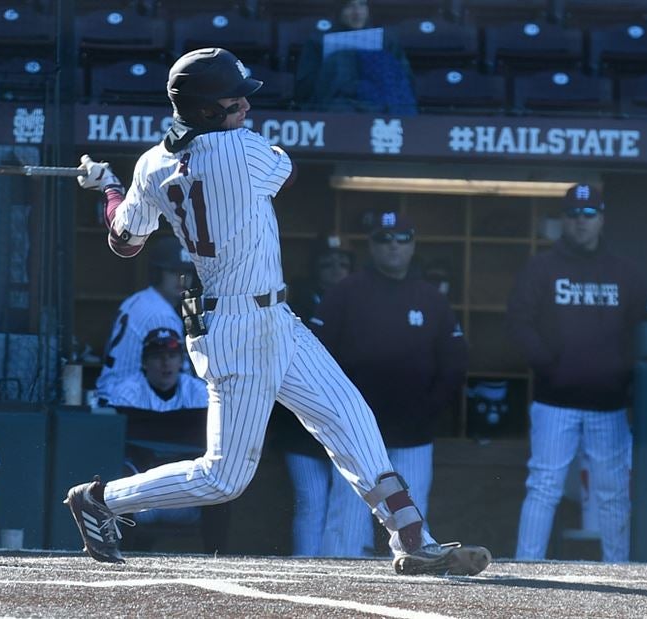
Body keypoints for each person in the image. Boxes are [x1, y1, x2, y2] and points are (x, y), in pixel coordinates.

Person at [65, 47, 490, 575]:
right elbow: (286, 174)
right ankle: (99, 501)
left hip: (273, 319)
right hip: (235, 329)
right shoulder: (241, 151)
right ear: (202, 109)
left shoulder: (151, 165)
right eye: (232, 99)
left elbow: (124, 239)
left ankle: (413, 539)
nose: (245, 104)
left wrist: (107, 185)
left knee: (351, 420)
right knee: (224, 478)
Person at [314, 210, 468, 558]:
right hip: (356, 429)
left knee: (413, 514)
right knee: (347, 516)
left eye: (402, 239)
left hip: (414, 429)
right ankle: (332, 582)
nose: (394, 247)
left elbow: (455, 361)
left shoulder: (431, 298)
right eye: (385, 239)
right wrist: (337, 411)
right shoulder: (346, 292)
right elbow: (316, 358)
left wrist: (431, 409)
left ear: (413, 244)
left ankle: (414, 573)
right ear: (372, 245)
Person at [507, 184, 646, 563]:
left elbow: (641, 331)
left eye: (588, 215)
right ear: (562, 221)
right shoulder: (541, 268)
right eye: (573, 215)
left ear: (601, 218)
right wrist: (550, 366)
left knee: (613, 490)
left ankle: (619, 570)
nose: (580, 222)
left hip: (610, 403)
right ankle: (527, 566)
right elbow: (520, 323)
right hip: (555, 400)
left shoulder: (625, 272)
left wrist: (624, 377)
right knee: (544, 485)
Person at [266, 235, 354, 556]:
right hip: (298, 425)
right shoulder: (295, 302)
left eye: (343, 263)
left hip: (343, 417)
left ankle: (337, 572)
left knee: (344, 505)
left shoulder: (358, 301)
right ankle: (307, 568)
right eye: (327, 264)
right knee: (312, 501)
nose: (336, 270)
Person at [107, 328, 228, 552]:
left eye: (172, 356)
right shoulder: (126, 392)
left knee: (224, 484)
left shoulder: (199, 391)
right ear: (144, 362)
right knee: (121, 472)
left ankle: (218, 556)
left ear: (181, 360)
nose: (166, 363)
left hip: (186, 496)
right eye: (157, 356)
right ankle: (123, 556)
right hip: (140, 495)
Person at [94, 234, 196, 405]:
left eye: (186, 273)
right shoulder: (162, 316)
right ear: (157, 274)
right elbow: (179, 378)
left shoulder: (138, 300)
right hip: (129, 404)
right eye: (174, 272)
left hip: (112, 399)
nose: (182, 280)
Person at [294, 0, 417, 114]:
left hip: (380, 113)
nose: (357, 12)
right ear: (339, 9)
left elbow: (405, 82)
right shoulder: (317, 42)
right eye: (350, 6)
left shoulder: (386, 42)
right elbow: (305, 90)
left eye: (362, 4)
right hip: (334, 114)